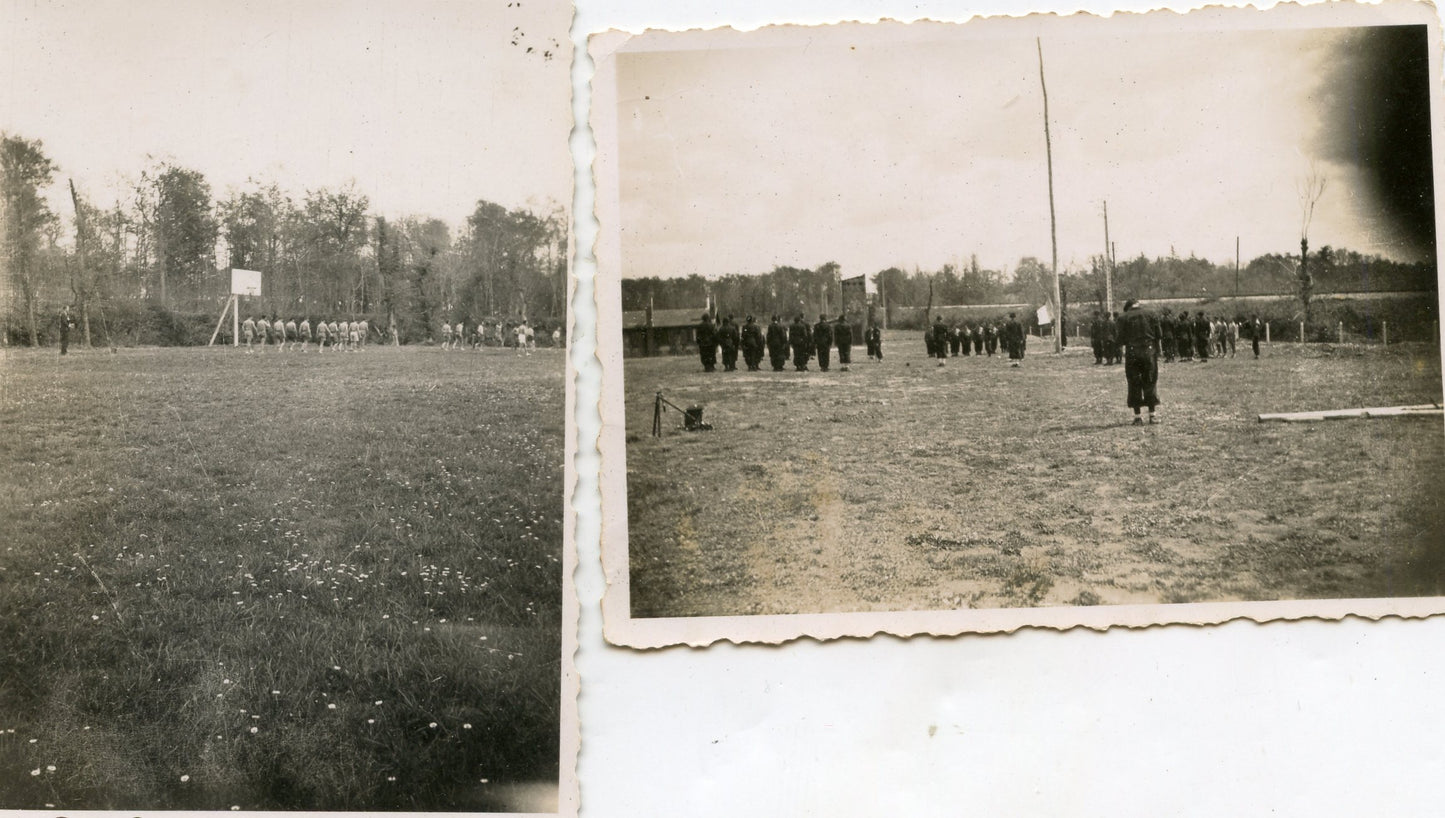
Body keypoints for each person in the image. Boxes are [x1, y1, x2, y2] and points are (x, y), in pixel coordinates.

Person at [1116, 298, 1162, 425]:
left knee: (1134, 383)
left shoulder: (1123, 317)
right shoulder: (1151, 314)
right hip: (1149, 351)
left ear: (1128, 307)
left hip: (1132, 353)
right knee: (1150, 381)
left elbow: (1119, 339)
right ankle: (1152, 415)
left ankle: (1138, 417)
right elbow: (1159, 334)